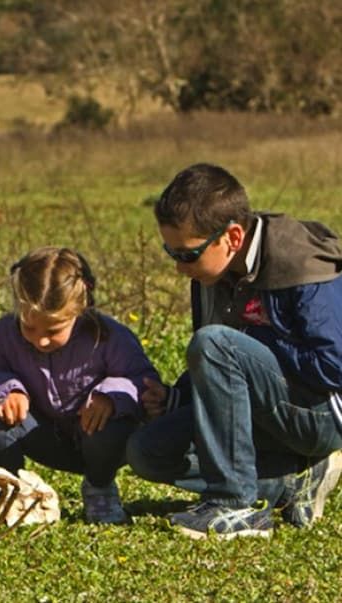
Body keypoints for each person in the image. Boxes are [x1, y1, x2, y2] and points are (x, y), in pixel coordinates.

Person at [126, 163, 342, 540]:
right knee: (147, 451)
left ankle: (234, 507)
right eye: (170, 252)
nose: (179, 267)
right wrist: (177, 397)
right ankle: (292, 484)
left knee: (216, 342)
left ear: (233, 236)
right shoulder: (211, 270)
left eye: (187, 254)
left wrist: (252, 346)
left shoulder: (302, 263)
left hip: (320, 415)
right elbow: (224, 367)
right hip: (265, 414)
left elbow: (334, 365)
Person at [0, 247, 159, 524]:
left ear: (80, 311)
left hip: (99, 440)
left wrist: (111, 396)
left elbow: (142, 380)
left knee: (112, 425)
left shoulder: (109, 336)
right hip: (43, 435)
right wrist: (6, 390)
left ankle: (99, 487)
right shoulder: (5, 334)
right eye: (29, 327)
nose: (40, 340)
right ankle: (11, 494)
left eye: (53, 330)